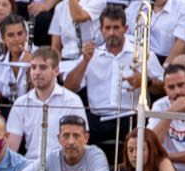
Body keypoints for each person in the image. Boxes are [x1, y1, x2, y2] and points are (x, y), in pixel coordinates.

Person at [64, 8, 163, 147]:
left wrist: (147, 81)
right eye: (108, 28)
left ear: (125, 28)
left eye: (116, 28)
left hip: (130, 118)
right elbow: (69, 87)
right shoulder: (91, 55)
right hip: (97, 120)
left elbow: (164, 87)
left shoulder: (143, 53)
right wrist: (84, 62)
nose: (111, 33)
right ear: (101, 30)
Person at [7, 114, 112, 171]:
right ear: (59, 138)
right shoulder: (52, 157)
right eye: (66, 136)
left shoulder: (95, 155)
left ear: (86, 138)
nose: (71, 142)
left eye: (76, 136)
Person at [6, 46, 86, 164]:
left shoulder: (72, 101)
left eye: (43, 67)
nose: (37, 72)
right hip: (29, 165)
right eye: (33, 67)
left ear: (56, 71)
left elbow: (80, 144)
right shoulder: (21, 103)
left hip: (63, 166)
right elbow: (11, 148)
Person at [48, 0, 105, 70]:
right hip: (67, 60)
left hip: (91, 59)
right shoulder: (60, 7)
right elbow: (55, 46)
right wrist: (55, 67)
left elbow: (78, 17)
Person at [114, 129, 180, 171]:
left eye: (140, 149)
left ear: (151, 150)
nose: (134, 155)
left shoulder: (162, 163)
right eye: (130, 150)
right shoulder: (123, 170)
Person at [0, 14, 32, 105]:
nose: (16, 39)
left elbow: (41, 94)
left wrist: (31, 66)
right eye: (11, 35)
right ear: (3, 38)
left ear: (26, 35)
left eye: (20, 33)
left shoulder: (38, 58)